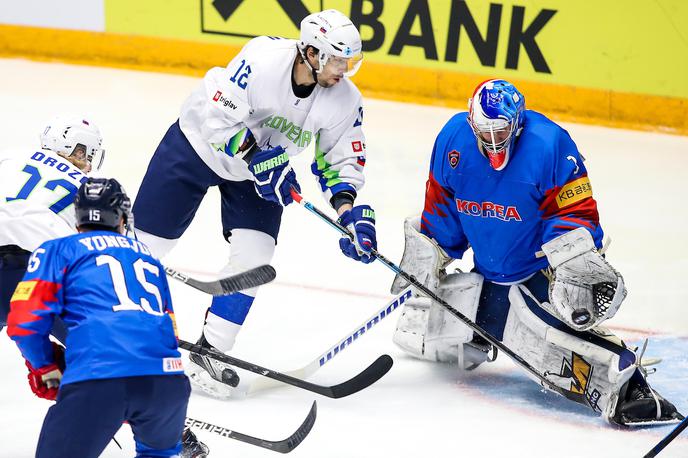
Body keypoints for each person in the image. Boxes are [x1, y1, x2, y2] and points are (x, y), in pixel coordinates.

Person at [391, 79, 683, 426]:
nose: (493, 142)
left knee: (546, 337)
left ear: (518, 123)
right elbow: (442, 211)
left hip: (538, 271)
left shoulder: (548, 145)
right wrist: (431, 253)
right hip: (489, 272)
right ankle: (483, 332)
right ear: (472, 125)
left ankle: (632, 389)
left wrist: (570, 265)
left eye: (501, 132)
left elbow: (575, 214)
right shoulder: (453, 141)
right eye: (485, 133)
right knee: (438, 330)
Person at [132, 9, 377, 397]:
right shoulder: (262, 60)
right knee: (143, 248)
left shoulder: (345, 99)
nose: (343, 70)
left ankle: (209, 352)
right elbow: (216, 118)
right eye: (336, 60)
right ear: (311, 53)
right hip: (195, 146)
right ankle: (111, 332)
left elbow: (340, 159)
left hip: (261, 172)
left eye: (350, 61)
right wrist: (256, 157)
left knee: (256, 258)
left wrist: (349, 214)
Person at [7, 177, 201, 457]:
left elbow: (24, 323)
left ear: (78, 217)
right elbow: (170, 329)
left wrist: (46, 368)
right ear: (122, 218)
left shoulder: (58, 249)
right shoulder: (147, 257)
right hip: (167, 384)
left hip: (98, 379)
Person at [0, 116, 104, 343]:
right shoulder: (92, 188)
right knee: (98, 348)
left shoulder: (11, 156)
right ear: (79, 150)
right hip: (39, 275)